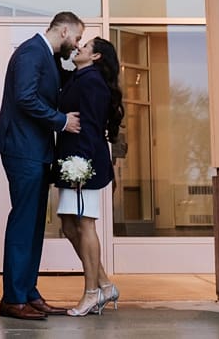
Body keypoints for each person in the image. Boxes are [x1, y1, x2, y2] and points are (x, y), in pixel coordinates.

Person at [0, 12, 85, 321]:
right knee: (23, 224)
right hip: (22, 150)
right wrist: (61, 121)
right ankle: (13, 299)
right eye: (78, 38)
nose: (77, 44)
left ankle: (28, 293)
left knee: (33, 227)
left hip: (36, 152)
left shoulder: (49, 57)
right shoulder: (31, 51)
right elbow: (25, 98)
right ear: (65, 30)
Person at [54, 37, 125, 317]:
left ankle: (91, 293)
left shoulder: (92, 82)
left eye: (84, 47)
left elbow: (92, 127)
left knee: (85, 225)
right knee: (69, 225)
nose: (78, 48)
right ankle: (105, 285)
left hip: (83, 164)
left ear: (95, 57)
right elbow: (59, 70)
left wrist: (81, 166)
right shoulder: (79, 77)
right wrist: (64, 44)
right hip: (71, 161)